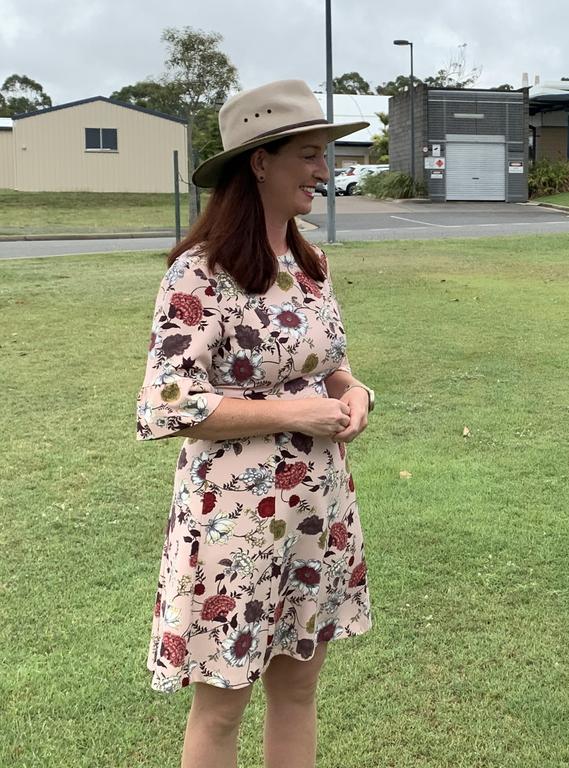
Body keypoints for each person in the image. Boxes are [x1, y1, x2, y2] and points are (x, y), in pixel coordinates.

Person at [136, 79, 374, 768]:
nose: (323, 171)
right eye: (307, 155)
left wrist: (354, 392)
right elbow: (169, 401)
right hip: (232, 521)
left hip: (315, 510)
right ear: (259, 163)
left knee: (297, 690)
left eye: (322, 154)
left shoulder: (310, 266)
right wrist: (293, 412)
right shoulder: (199, 275)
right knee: (221, 708)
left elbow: (332, 363)